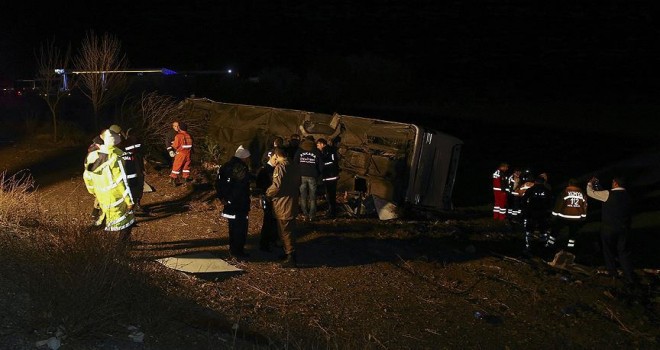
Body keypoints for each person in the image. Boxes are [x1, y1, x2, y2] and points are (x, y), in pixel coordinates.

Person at [83, 129, 135, 241]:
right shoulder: (115, 158)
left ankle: (88, 238)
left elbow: (87, 176)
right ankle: (120, 250)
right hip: (115, 195)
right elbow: (121, 181)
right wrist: (129, 200)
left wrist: (93, 191)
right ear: (116, 143)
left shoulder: (91, 155)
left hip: (101, 195)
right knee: (126, 222)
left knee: (106, 218)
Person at [587, 176, 635, 284]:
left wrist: (590, 183)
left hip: (608, 228)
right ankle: (630, 277)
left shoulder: (608, 194)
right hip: (624, 229)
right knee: (624, 253)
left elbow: (591, 193)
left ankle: (612, 273)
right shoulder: (628, 196)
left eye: (613, 182)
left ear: (616, 183)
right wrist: (598, 186)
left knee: (608, 251)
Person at [266, 148, 301, 268]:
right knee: (290, 229)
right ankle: (289, 253)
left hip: (282, 203)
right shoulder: (294, 165)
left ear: (276, 156)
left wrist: (267, 194)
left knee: (284, 231)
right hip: (293, 201)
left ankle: (290, 256)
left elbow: (276, 186)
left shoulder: (280, 167)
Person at [216, 145, 253, 259]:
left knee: (232, 228)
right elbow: (240, 187)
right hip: (239, 204)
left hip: (229, 204)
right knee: (240, 229)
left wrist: (222, 198)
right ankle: (238, 252)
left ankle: (233, 249)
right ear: (243, 157)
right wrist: (231, 199)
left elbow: (218, 182)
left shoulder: (226, 166)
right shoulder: (241, 168)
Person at [548, 178, 587, 257]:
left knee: (555, 231)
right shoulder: (582, 193)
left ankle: (549, 245)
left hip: (563, 216)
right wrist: (583, 216)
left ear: (569, 183)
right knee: (572, 235)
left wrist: (554, 215)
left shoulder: (565, 191)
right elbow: (585, 206)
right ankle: (570, 250)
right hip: (576, 218)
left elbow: (559, 203)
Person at [520, 175, 554, 255]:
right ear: (543, 182)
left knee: (530, 230)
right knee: (543, 230)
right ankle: (543, 246)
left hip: (532, 213)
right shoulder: (547, 190)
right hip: (543, 213)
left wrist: (525, 209)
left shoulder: (530, 190)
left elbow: (524, 200)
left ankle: (529, 247)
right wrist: (548, 211)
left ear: (535, 182)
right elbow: (551, 202)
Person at [295, 135, 323, 221]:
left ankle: (305, 214)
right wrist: (318, 174)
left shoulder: (300, 150)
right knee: (313, 196)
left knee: (303, 196)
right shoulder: (316, 151)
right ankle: (312, 215)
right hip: (312, 176)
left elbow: (295, 161)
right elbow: (321, 165)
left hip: (302, 175)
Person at [120, 127, 147, 215]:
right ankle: (132, 206)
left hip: (136, 167)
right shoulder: (125, 144)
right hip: (132, 168)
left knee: (137, 187)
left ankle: (135, 205)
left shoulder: (137, 143)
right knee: (134, 187)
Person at [255, 152, 278, 252]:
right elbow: (259, 184)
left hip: (275, 198)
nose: (276, 160)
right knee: (268, 220)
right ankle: (265, 243)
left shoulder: (276, 168)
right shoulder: (264, 170)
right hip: (268, 198)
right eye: (275, 158)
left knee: (274, 220)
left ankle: (273, 239)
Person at [316, 137, 339, 218]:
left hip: (330, 176)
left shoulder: (326, 151)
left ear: (322, 144)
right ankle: (331, 211)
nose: (317, 146)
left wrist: (322, 165)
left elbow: (331, 162)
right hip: (332, 176)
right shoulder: (330, 150)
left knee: (330, 195)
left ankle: (332, 213)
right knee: (331, 195)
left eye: (318, 144)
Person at [169, 122, 193, 186]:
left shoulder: (178, 136)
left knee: (176, 166)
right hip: (188, 153)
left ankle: (173, 180)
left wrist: (172, 144)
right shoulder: (188, 135)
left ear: (180, 128)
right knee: (186, 167)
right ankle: (185, 179)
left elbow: (175, 145)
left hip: (181, 154)